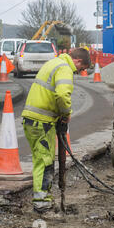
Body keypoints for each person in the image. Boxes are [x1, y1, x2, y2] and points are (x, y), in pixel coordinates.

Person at [22, 48, 91, 214]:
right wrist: (66, 114)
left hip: (34, 120)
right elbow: (61, 95)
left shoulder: (53, 63)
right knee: (45, 162)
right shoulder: (65, 68)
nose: (78, 72)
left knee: (42, 159)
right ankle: (41, 203)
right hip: (42, 122)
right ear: (78, 61)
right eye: (81, 69)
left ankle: (44, 198)